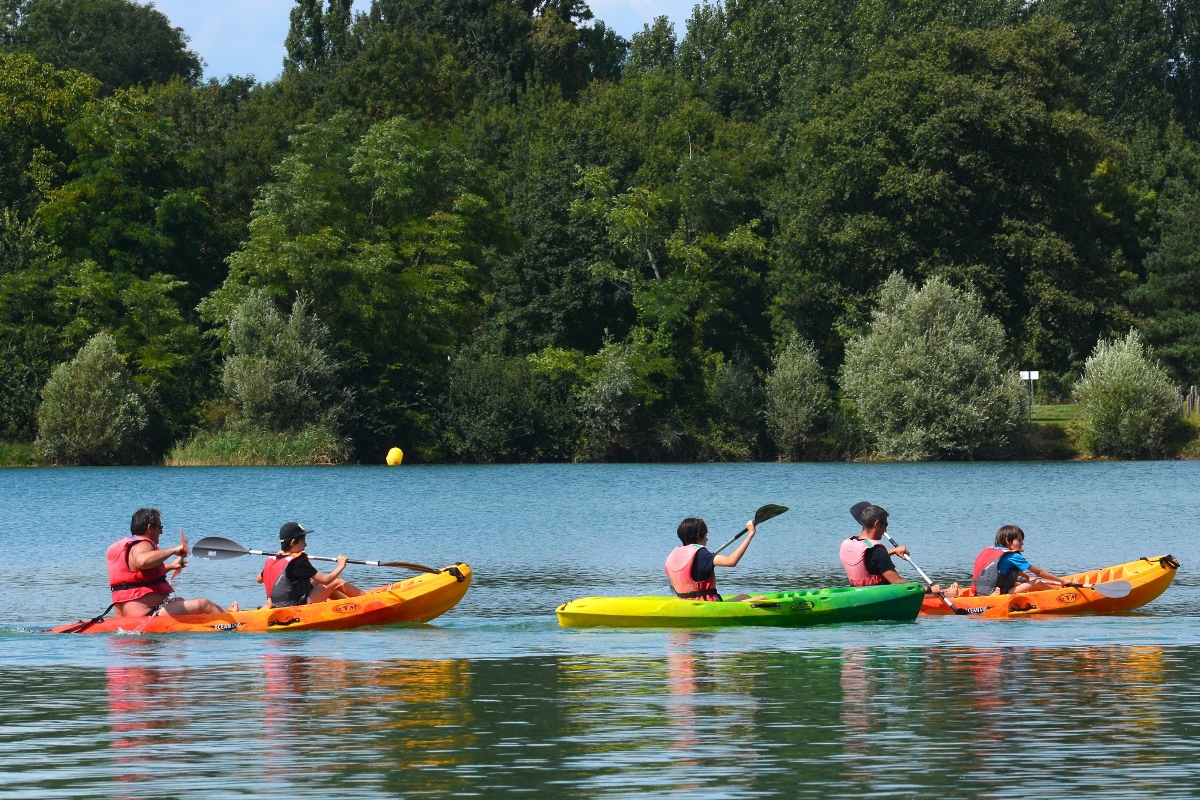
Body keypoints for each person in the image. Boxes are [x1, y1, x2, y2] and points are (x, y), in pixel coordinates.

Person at [107, 508, 238, 617]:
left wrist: (171, 566)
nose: (162, 532)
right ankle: (233, 616)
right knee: (204, 603)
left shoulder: (127, 547)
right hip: (147, 615)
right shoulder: (143, 544)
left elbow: (139, 575)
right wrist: (174, 550)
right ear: (150, 528)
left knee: (179, 601)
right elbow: (143, 561)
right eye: (160, 527)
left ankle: (210, 618)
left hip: (126, 615)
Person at [840, 503, 958, 596]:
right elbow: (898, 584)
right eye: (885, 525)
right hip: (881, 597)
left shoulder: (849, 544)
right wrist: (928, 589)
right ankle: (946, 594)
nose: (886, 530)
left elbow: (868, 562)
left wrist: (891, 551)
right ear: (877, 524)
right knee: (920, 591)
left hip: (858, 593)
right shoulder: (877, 551)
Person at [258, 522, 364, 607]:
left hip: (276, 603)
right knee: (337, 581)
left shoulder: (274, 559)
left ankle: (349, 605)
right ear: (293, 542)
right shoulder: (298, 562)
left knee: (322, 582)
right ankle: (366, 601)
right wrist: (341, 566)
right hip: (296, 605)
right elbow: (325, 580)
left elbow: (259, 579)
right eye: (303, 541)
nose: (306, 544)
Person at [664, 517, 756, 602]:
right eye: (705, 535)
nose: (707, 539)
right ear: (698, 537)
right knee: (745, 597)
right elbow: (731, 561)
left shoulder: (673, 555)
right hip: (706, 605)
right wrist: (750, 534)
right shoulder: (702, 554)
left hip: (685, 604)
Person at [972, 525, 1068, 595]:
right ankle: (1055, 594)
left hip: (981, 591)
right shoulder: (1014, 556)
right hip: (999, 593)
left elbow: (1004, 570)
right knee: (1037, 582)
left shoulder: (992, 551)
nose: (1022, 543)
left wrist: (1028, 578)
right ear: (1008, 541)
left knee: (1018, 582)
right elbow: (1040, 573)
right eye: (1019, 540)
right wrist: (1061, 581)